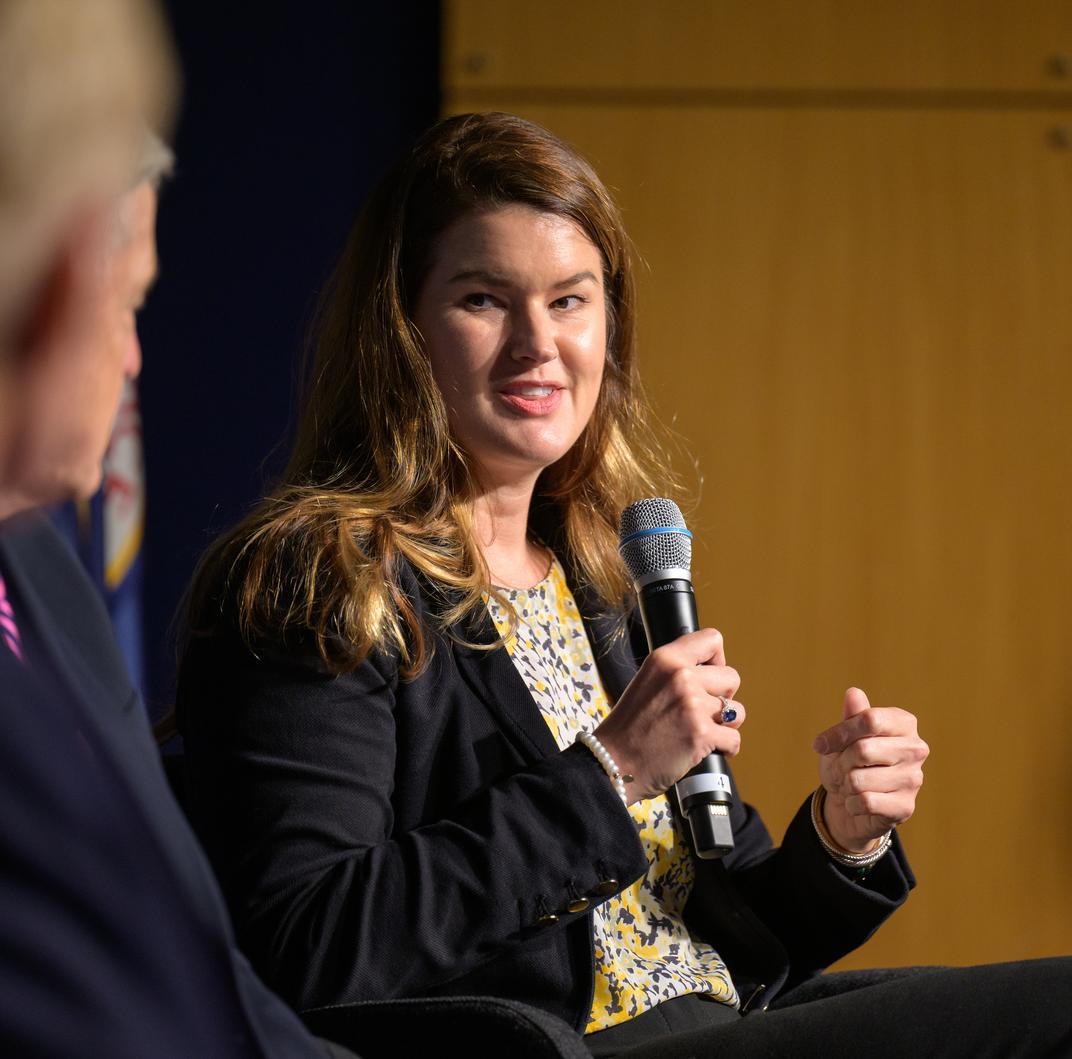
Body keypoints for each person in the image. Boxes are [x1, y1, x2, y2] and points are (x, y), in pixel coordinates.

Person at [177, 112, 1071, 1058]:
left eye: (571, 301)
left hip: (713, 1019)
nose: (538, 344)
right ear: (403, 329)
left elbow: (725, 924)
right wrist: (611, 771)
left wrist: (841, 833)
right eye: (484, 299)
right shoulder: (319, 576)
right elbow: (308, 943)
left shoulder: (602, 577)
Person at [0, 2, 343, 1053]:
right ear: (57, 288)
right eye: (130, 302)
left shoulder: (35, 570)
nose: (134, 363)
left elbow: (202, 969)